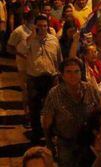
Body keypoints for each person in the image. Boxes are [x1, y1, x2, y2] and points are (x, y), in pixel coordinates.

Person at [42, 58, 101, 166]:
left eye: (76, 71)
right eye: (68, 72)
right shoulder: (54, 94)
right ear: (62, 75)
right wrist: (49, 143)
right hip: (66, 142)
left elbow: (100, 112)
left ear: (81, 73)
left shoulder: (90, 89)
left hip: (88, 141)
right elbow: (47, 122)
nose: (72, 75)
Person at [25, 14, 63, 143]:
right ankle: (36, 134)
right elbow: (22, 51)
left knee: (51, 107)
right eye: (39, 26)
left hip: (51, 77)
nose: (42, 28)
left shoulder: (53, 40)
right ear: (35, 26)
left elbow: (58, 58)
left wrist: (59, 75)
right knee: (35, 108)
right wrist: (31, 37)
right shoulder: (30, 40)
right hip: (34, 78)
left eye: (45, 26)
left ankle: (50, 134)